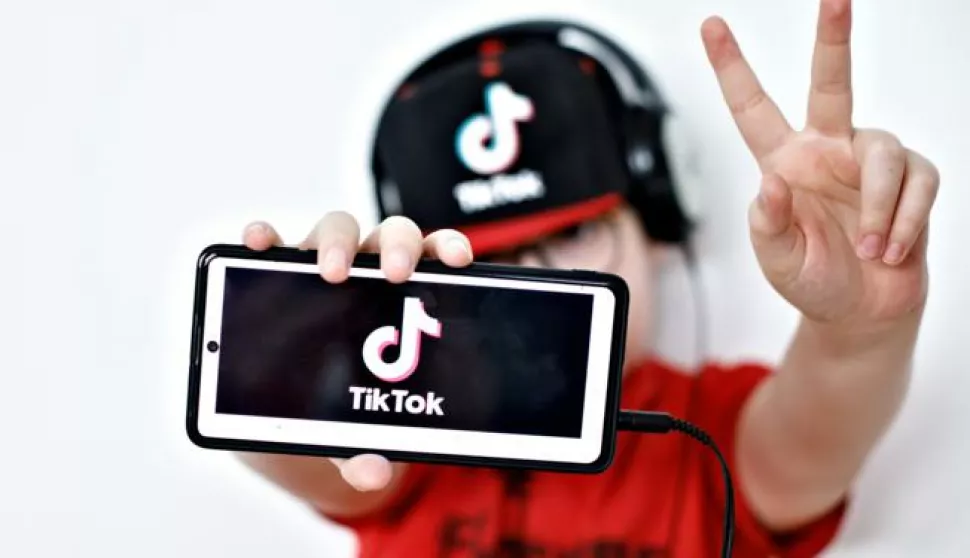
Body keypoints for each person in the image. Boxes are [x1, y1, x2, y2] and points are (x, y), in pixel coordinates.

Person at [235, 1, 940, 556]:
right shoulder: (406, 428)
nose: (539, 289)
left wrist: (862, 326)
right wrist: (278, 361)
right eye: (487, 263)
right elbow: (295, 450)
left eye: (573, 235)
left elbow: (820, 423)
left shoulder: (708, 437)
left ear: (658, 225)